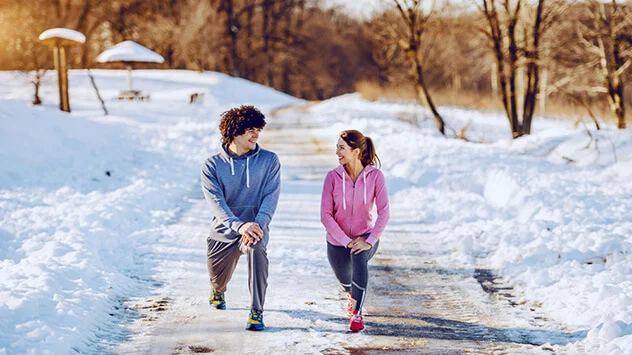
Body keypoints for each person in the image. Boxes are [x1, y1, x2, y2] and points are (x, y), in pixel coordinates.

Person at [201, 105, 281, 331]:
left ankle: (256, 311)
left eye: (258, 130)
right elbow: (216, 203)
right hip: (224, 230)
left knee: (256, 251)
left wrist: (258, 224)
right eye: (250, 130)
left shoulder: (269, 160)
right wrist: (239, 225)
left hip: (255, 228)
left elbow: (270, 196)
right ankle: (218, 290)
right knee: (218, 279)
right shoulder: (212, 165)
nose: (256, 135)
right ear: (234, 132)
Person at [320, 129, 390, 333]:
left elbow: (384, 212)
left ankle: (357, 314)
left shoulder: (376, 177)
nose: (337, 152)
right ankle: (351, 294)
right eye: (337, 147)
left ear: (356, 151)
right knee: (346, 282)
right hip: (337, 241)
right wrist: (344, 240)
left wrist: (370, 239)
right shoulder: (332, 177)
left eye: (341, 148)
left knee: (358, 256)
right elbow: (325, 215)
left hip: (366, 236)